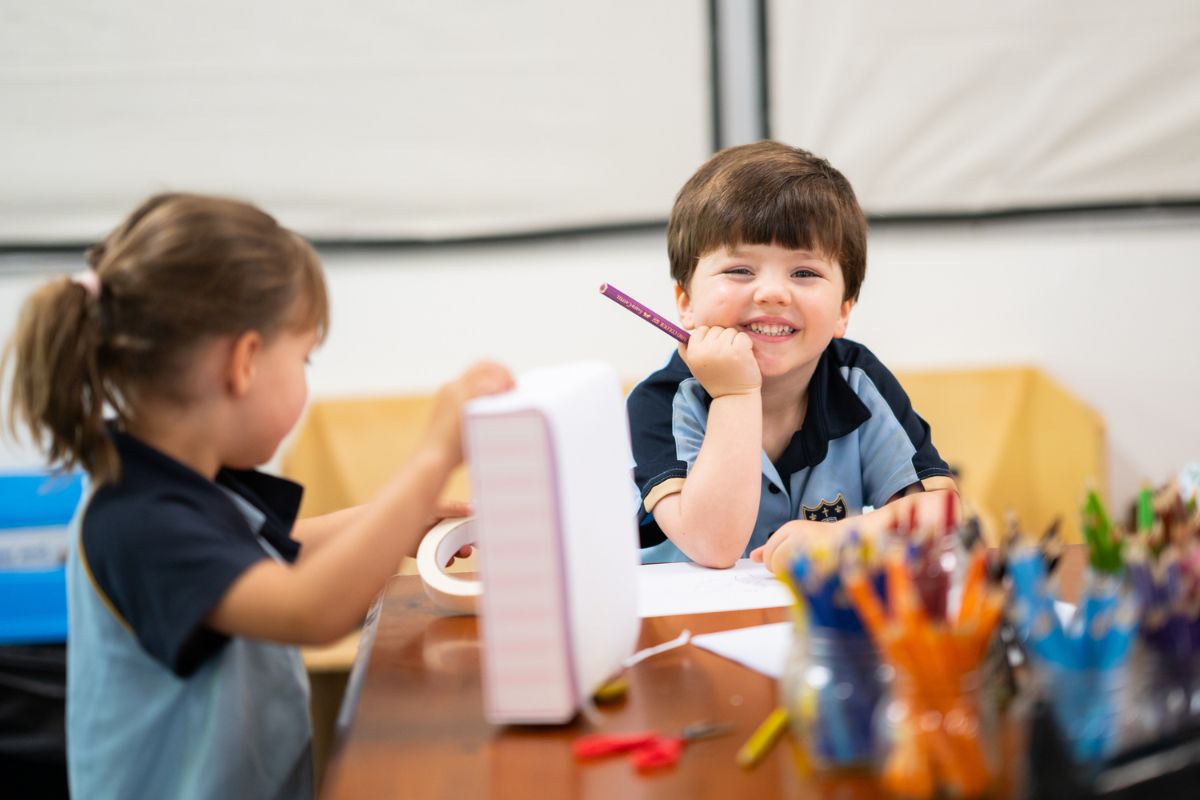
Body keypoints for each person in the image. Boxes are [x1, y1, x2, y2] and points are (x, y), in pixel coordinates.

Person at [2, 193, 513, 800]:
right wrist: (431, 458)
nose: (305, 375)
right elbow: (306, 610)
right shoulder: (138, 521)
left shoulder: (181, 482)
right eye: (303, 358)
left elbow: (269, 551)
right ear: (244, 361)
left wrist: (391, 522)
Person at [627, 141, 956, 571]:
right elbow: (713, 546)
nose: (772, 293)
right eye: (739, 270)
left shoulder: (856, 380)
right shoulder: (659, 402)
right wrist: (735, 394)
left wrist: (843, 537)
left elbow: (944, 516)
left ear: (843, 311)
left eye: (804, 272)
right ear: (685, 302)